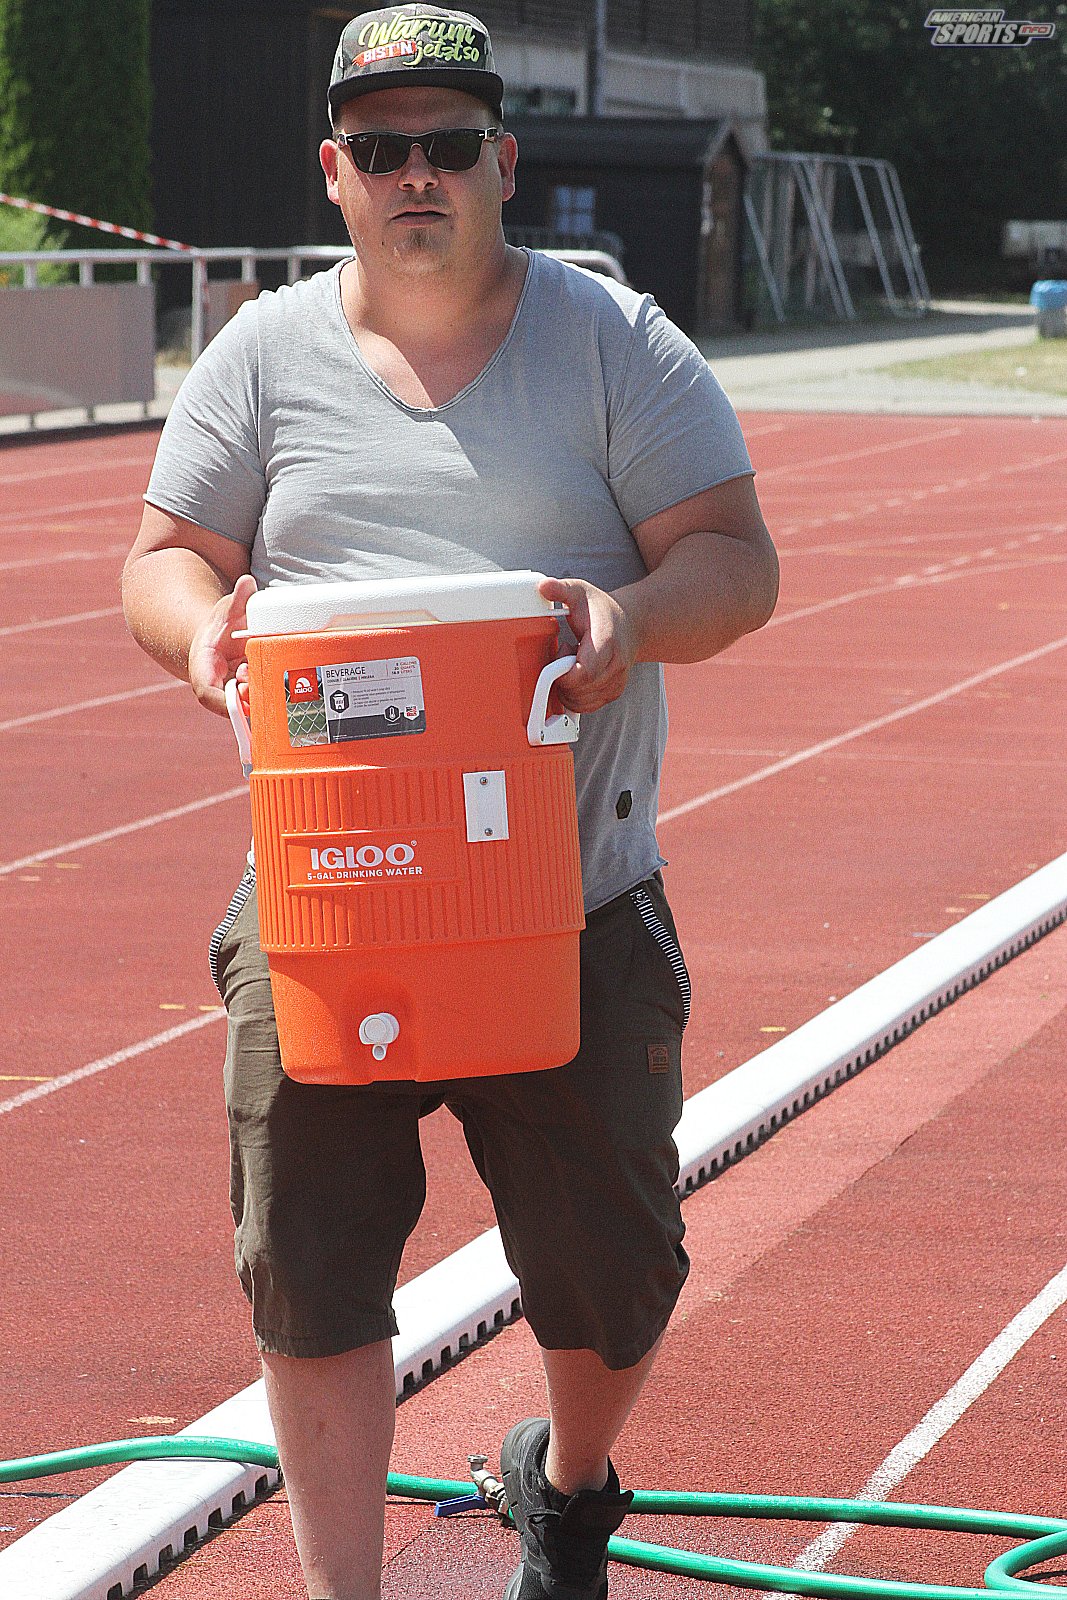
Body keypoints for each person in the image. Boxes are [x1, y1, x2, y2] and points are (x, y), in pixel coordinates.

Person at [122, 7, 779, 1597]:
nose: (416, 173)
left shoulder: (616, 343)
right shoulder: (262, 358)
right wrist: (199, 630)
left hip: (571, 897)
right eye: (380, 146)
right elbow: (161, 562)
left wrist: (629, 616)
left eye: (449, 143)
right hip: (333, 897)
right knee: (311, 1275)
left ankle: (566, 1481)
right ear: (333, 173)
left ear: (504, 160)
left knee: (615, 1275)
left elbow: (735, 562)